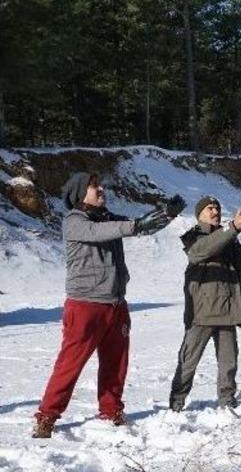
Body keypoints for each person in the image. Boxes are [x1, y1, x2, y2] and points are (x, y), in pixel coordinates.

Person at [33, 172, 183, 438]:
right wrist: (137, 224)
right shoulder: (74, 221)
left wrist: (166, 214)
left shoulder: (108, 217)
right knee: (70, 364)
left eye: (101, 185)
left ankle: (111, 409)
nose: (101, 189)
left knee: (116, 363)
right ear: (80, 193)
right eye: (94, 186)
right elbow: (103, 231)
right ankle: (47, 415)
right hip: (85, 305)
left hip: (116, 303)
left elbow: (140, 226)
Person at [168, 197, 241, 411]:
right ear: (199, 214)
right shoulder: (194, 236)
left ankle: (227, 401)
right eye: (209, 208)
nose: (215, 211)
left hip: (228, 310)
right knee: (188, 362)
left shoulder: (229, 237)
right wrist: (232, 228)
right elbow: (199, 252)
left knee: (229, 362)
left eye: (217, 208)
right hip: (201, 312)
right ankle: (176, 402)